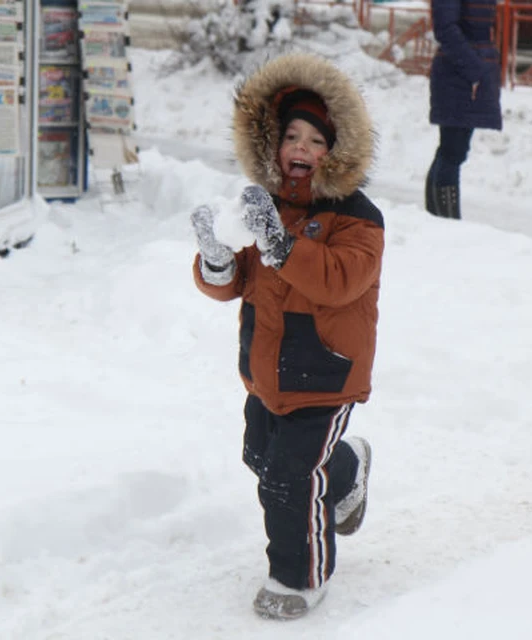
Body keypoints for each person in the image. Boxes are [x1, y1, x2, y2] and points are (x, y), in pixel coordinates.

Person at [190, 53, 383, 620]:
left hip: (326, 373)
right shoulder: (264, 209)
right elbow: (237, 285)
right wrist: (217, 260)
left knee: (289, 479)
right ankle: (346, 470)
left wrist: (280, 245)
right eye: (290, 135)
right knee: (260, 455)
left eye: (315, 140)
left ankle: (299, 576)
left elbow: (338, 280)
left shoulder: (357, 219)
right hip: (266, 370)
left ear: (337, 151)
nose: (300, 148)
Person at [426, 0, 503, 219]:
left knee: (452, 150)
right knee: (452, 150)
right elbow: (446, 29)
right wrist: (475, 69)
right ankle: (446, 219)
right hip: (458, 75)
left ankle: (438, 217)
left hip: (467, 73)